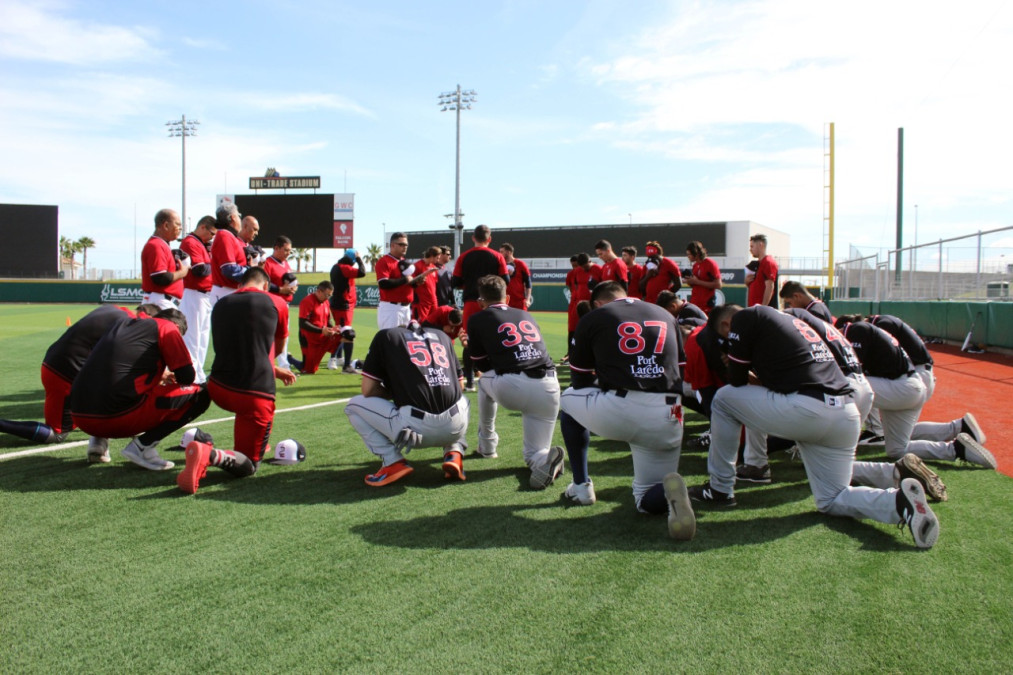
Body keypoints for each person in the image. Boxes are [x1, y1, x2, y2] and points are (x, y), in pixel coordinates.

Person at [689, 304, 941, 549]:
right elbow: (777, 380)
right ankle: (898, 502)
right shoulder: (787, 324)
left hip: (809, 409)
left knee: (723, 401)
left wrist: (731, 361)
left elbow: (736, 381)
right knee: (831, 499)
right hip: (845, 412)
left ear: (726, 324)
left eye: (726, 336)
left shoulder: (746, 316)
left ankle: (720, 488)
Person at [558, 281, 695, 541]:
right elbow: (681, 371)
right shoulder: (665, 314)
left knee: (568, 399)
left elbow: (581, 382)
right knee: (646, 499)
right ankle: (668, 492)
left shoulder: (595, 317)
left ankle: (582, 486)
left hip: (622, 408)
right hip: (669, 412)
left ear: (598, 303)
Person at [177, 267, 298, 494]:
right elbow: (277, 349)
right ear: (264, 285)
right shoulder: (277, 303)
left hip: (218, 388)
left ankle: (219, 441)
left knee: (248, 424)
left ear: (241, 284)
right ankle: (209, 454)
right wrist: (272, 368)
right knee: (250, 465)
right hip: (253, 396)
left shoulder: (220, 304)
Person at [834, 316, 995, 469]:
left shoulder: (857, 329)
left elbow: (850, 371)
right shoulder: (871, 330)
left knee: (849, 384)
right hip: (909, 386)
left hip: (904, 387)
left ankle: (838, 447)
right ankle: (956, 449)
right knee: (897, 449)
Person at [0, 304, 151, 461]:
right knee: (57, 434)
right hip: (66, 375)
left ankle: (99, 444)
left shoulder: (112, 309)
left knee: (108, 391)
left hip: (54, 364)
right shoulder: (129, 323)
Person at [70, 308, 210, 471]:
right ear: (177, 328)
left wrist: (158, 375)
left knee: (109, 385)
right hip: (114, 418)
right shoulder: (168, 328)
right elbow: (187, 376)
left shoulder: (122, 325)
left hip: (79, 416)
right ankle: (143, 447)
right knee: (202, 394)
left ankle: (98, 441)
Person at [344, 320, 470, 487]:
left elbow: (368, 390)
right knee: (459, 399)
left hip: (415, 431)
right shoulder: (443, 336)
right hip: (455, 427)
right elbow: (460, 386)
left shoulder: (387, 336)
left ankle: (392, 461)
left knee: (353, 406)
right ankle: (454, 451)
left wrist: (398, 393)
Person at [466, 275, 563, 488]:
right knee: (534, 454)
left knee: (483, 383)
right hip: (550, 387)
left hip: (514, 386)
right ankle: (544, 460)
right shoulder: (524, 315)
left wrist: (471, 347)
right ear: (507, 298)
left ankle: (488, 446)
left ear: (481, 302)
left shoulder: (477, 319)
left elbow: (481, 366)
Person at [452, 225, 509, 390]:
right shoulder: (497, 256)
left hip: (471, 303)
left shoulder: (464, 257)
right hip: (493, 304)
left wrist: (470, 284)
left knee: (468, 342)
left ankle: (469, 381)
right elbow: (506, 280)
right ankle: (497, 378)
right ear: (489, 239)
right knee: (496, 340)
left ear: (473, 238)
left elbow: (455, 282)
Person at [178, 215, 216, 383]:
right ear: (202, 228)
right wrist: (214, 261)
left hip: (204, 295)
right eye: (211, 233)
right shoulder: (190, 242)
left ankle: (198, 374)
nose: (212, 237)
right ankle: (191, 376)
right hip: (193, 293)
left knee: (202, 338)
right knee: (193, 337)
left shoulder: (201, 244)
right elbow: (199, 270)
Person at [141, 208, 190, 309]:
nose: (180, 229)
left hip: (163, 300)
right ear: (166, 225)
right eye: (177, 224)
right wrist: (183, 272)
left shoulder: (162, 244)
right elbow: (160, 277)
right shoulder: (156, 245)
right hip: (159, 301)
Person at [262, 235, 299, 369]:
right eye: (286, 250)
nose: (288, 253)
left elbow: (291, 281)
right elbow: (263, 283)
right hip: (271, 304)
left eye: (290, 251)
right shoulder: (268, 263)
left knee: (284, 335)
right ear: (276, 248)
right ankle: (267, 363)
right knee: (270, 335)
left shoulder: (286, 264)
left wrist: (293, 288)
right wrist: (280, 289)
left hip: (285, 305)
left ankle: (284, 364)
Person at [328, 248, 366, 370]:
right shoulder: (344, 268)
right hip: (343, 305)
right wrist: (360, 259)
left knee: (341, 330)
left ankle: (338, 358)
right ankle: (334, 360)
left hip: (340, 304)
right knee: (345, 333)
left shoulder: (336, 266)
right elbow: (362, 272)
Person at [297, 281, 346, 374]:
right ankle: (290, 358)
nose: (328, 297)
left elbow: (328, 321)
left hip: (322, 336)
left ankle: (335, 360)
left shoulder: (326, 302)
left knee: (345, 334)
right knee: (309, 370)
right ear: (319, 291)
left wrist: (333, 328)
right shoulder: (307, 301)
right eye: (327, 295)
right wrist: (321, 331)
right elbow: (302, 323)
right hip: (309, 339)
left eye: (330, 295)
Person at [209, 203, 251, 306]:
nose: (240, 220)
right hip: (225, 291)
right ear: (232, 218)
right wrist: (250, 270)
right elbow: (229, 269)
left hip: (228, 291)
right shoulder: (225, 235)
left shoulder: (229, 236)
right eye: (239, 216)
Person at [374, 232, 414, 329]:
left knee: (405, 342)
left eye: (406, 245)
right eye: (401, 244)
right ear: (392, 245)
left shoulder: (405, 262)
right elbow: (383, 283)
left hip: (406, 308)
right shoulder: (384, 261)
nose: (404, 247)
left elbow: (407, 283)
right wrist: (404, 280)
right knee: (390, 341)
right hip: (391, 308)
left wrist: (416, 282)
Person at [563, 253, 599, 362]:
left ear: (589, 261)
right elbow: (573, 286)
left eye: (585, 266)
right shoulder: (576, 272)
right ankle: (571, 353)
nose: (583, 269)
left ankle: (594, 354)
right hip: (577, 303)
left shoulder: (598, 269)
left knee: (593, 329)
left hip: (593, 304)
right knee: (573, 328)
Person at [684, 241, 722, 313]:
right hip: (695, 304)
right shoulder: (695, 265)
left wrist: (697, 282)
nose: (688, 256)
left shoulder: (710, 263)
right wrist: (690, 282)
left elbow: (718, 284)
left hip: (706, 306)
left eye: (689, 254)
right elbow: (696, 284)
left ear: (696, 253)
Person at [745, 234, 778, 308]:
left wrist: (763, 308)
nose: (750, 249)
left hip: (762, 311)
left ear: (760, 245)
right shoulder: (757, 264)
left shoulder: (768, 262)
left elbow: (770, 287)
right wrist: (747, 282)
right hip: (754, 309)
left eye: (752, 246)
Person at [410, 246, 441, 322]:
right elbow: (411, 283)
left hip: (433, 301)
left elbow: (433, 286)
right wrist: (423, 275)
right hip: (421, 302)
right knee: (420, 325)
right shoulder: (417, 266)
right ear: (431, 256)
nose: (438, 260)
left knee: (434, 323)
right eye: (437, 258)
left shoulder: (434, 267)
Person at [499, 243, 533, 309]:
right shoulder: (500, 265)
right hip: (504, 301)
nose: (500, 254)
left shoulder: (520, 264)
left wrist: (528, 299)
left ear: (508, 252)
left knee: (521, 319)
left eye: (502, 252)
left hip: (519, 302)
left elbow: (528, 283)